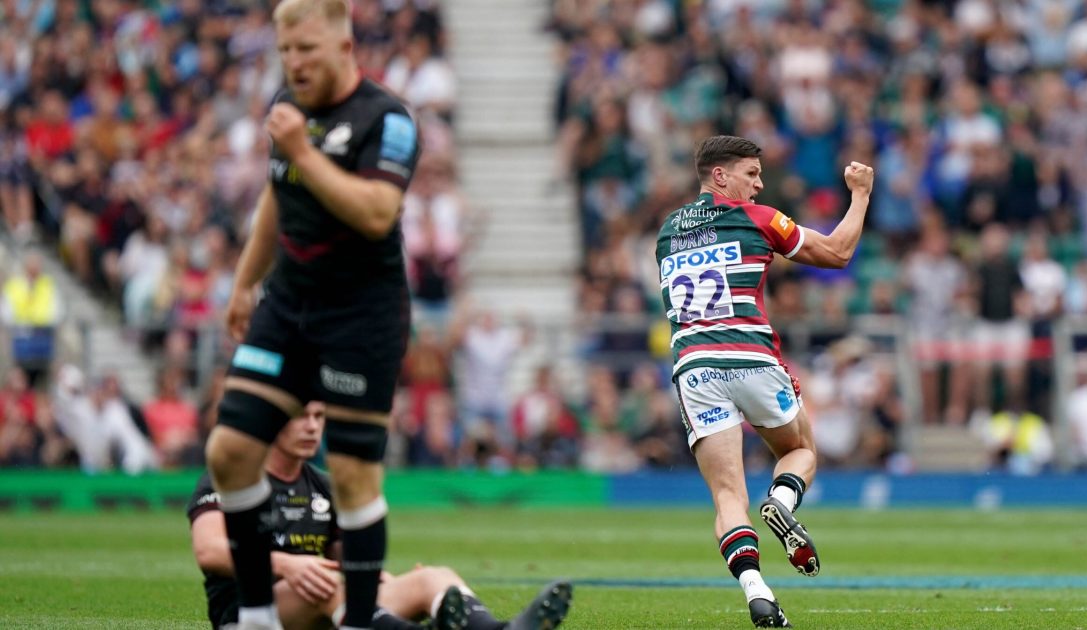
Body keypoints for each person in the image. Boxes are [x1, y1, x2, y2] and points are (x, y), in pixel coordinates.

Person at [202, 2, 423, 628]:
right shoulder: (287, 107)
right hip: (289, 305)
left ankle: (357, 622)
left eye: (308, 50)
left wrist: (303, 148)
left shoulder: (387, 120)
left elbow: (377, 212)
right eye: (286, 52)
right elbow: (279, 193)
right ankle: (254, 617)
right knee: (229, 450)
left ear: (344, 45)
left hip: (360, 316)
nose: (295, 64)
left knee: (353, 476)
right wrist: (245, 284)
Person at [654, 135, 874, 628]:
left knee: (728, 496)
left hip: (695, 369)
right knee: (800, 451)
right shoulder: (759, 218)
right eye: (751, 174)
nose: (759, 184)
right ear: (720, 176)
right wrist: (860, 194)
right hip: (751, 357)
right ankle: (782, 501)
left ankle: (757, 590)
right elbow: (838, 253)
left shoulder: (667, 232)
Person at [189, 402, 574, 630]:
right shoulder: (232, 476)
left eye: (319, 417)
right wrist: (289, 565)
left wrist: (372, 576)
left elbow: (344, 560)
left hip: (322, 604)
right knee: (329, 586)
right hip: (247, 614)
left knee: (431, 578)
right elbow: (209, 552)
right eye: (300, 416)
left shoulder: (325, 486)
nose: (312, 427)